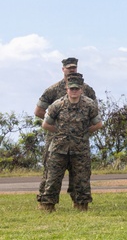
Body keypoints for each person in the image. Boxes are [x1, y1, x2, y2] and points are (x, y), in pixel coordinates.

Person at [35, 57, 98, 206]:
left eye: (74, 67)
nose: (71, 70)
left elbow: (94, 114)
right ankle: (44, 201)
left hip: (79, 140)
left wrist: (81, 130)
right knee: (51, 172)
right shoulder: (53, 89)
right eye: (69, 68)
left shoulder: (87, 90)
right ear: (63, 69)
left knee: (80, 172)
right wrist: (59, 126)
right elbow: (38, 111)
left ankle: (79, 201)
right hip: (56, 138)